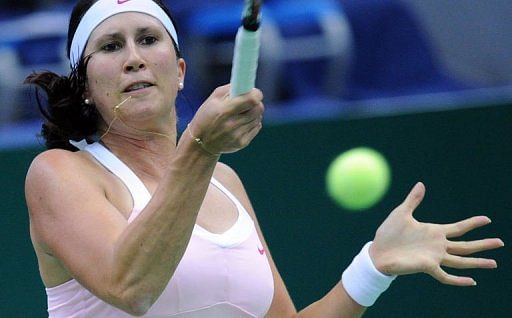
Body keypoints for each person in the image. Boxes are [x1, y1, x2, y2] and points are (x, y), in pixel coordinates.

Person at [24, 0, 504, 317]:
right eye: (111, 46)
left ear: (181, 71)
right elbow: (130, 287)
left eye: (149, 40)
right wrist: (200, 148)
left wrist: (373, 266)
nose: (134, 57)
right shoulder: (60, 173)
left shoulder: (224, 182)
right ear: (84, 87)